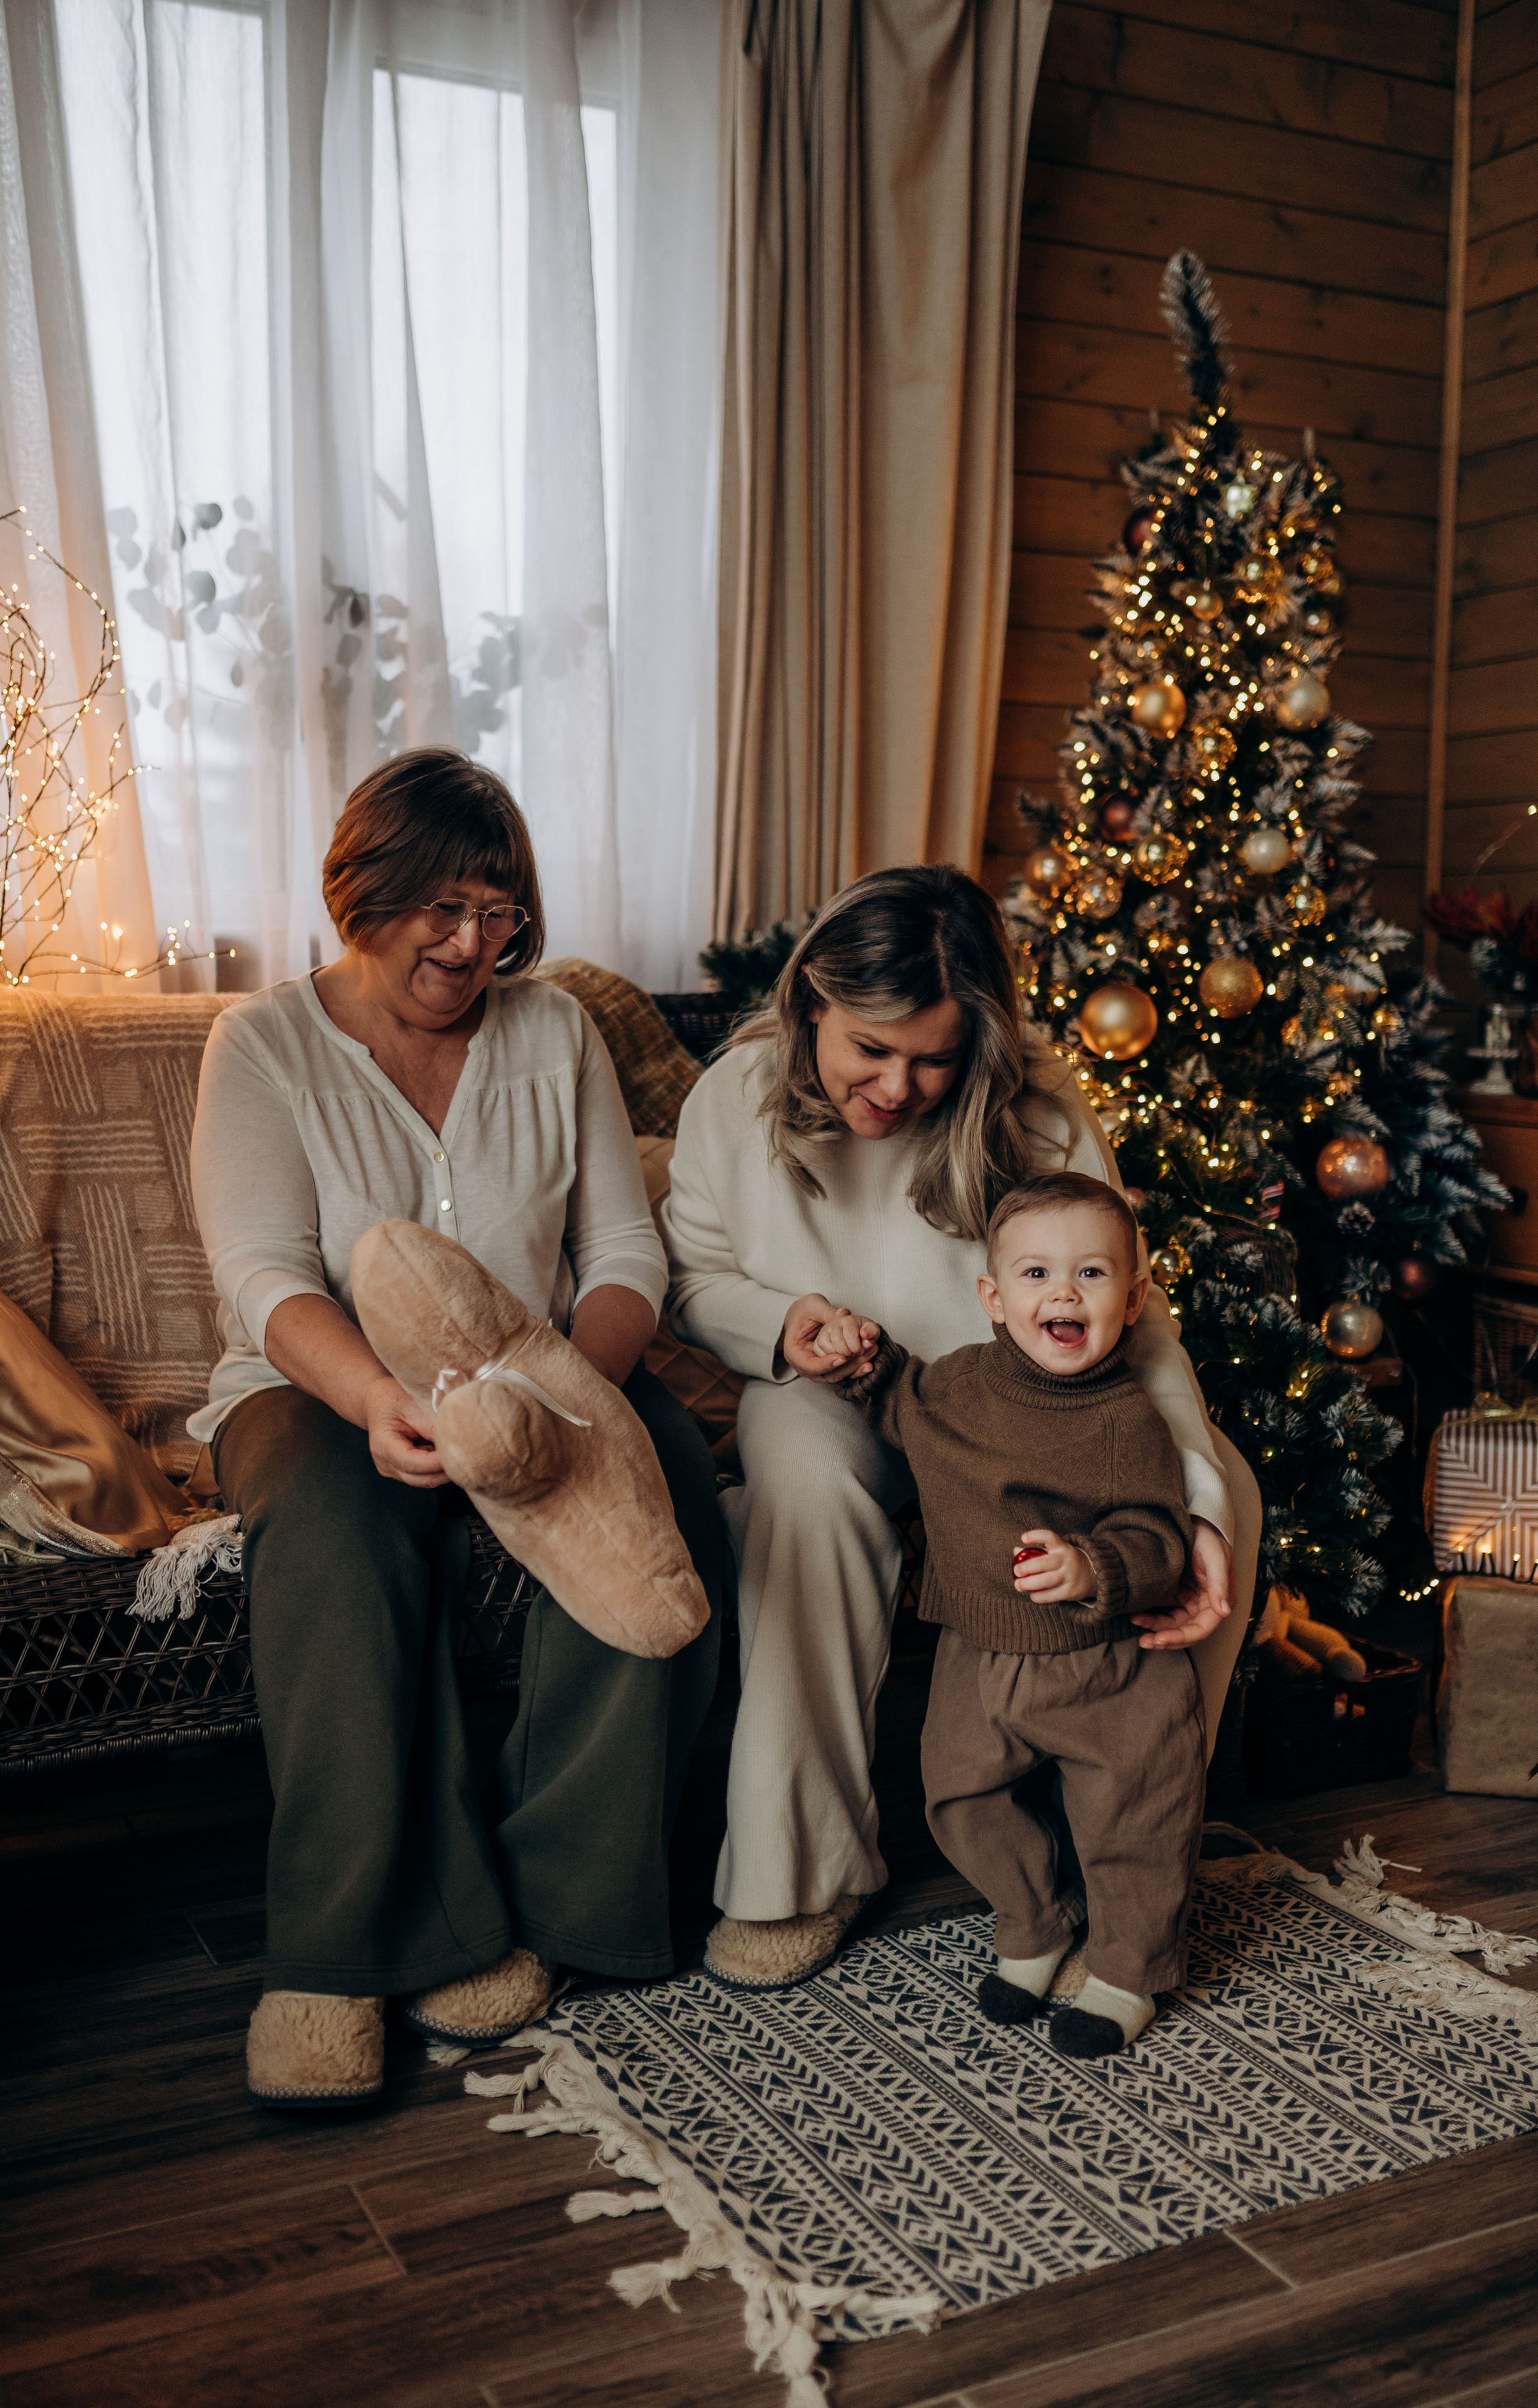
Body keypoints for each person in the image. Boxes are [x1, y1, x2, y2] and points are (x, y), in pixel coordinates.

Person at [189, 747, 721, 2107]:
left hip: (543, 1375)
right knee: (336, 1529)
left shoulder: (556, 1031)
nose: (470, 943)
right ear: (364, 890)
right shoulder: (261, 1044)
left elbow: (623, 1253)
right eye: (442, 906)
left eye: (497, 912)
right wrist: (376, 1402)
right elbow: (262, 1278)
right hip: (316, 1389)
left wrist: (563, 1397)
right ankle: (347, 1951)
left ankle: (559, 1905)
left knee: (665, 1478)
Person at [659, 864, 1260, 1993]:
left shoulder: (1038, 1105)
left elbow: (1135, 1319)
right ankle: (802, 1869)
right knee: (800, 1475)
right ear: (813, 1003)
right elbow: (691, 1281)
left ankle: (1127, 1845)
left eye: (934, 1057)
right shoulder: (731, 1098)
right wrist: (781, 1325)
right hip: (839, 1395)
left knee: (1221, 1485)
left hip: (1038, 1412)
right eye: (870, 1049)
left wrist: (1201, 1504)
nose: (898, 1087)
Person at [805, 1170, 1199, 2057]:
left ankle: (1129, 1969)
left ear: (1133, 1299)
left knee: (1133, 1817)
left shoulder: (1125, 1420)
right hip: (978, 1652)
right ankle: (1036, 1919)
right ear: (993, 1298)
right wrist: (863, 1358)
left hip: (1106, 1665)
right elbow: (902, 1404)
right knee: (960, 1794)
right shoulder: (960, 1386)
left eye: (1091, 1274)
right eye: (1036, 1274)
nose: (1064, 1293)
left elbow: (1158, 1535)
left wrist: (1092, 1563)